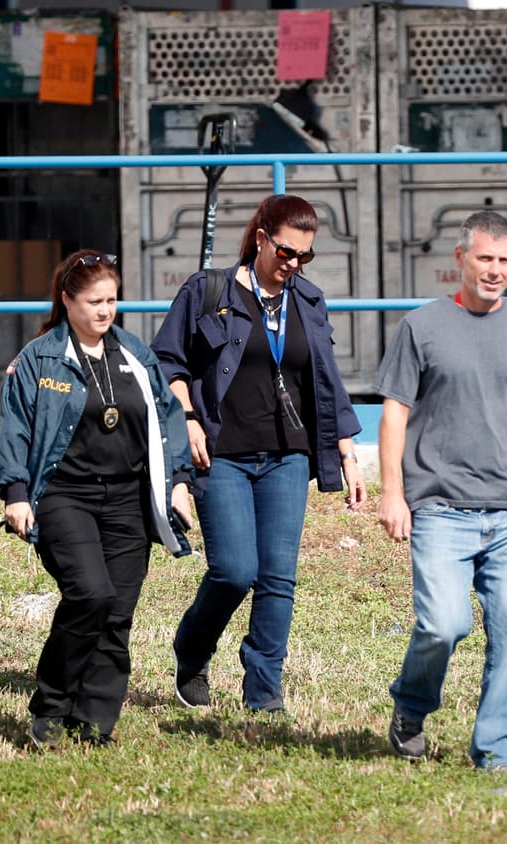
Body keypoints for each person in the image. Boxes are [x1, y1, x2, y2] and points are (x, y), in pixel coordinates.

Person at [374, 210, 507, 773]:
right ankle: (412, 706)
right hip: (440, 509)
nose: (495, 270)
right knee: (444, 625)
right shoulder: (421, 326)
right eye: (485, 257)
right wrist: (393, 492)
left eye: (505, 260)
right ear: (460, 258)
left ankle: (496, 749)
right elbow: (394, 414)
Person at [152, 193, 367, 713]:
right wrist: (188, 419)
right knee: (234, 570)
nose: (294, 263)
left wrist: (347, 452)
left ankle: (264, 694)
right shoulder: (208, 291)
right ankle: (192, 649)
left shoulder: (308, 301)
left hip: (287, 455)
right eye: (286, 252)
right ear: (262, 238)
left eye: (305, 255)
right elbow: (168, 363)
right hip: (221, 453)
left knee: (277, 578)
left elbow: (326, 380)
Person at [0, 249, 193, 748]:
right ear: (68, 301)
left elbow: (167, 419)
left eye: (111, 300)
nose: (105, 310)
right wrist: (15, 493)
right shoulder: (39, 359)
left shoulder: (136, 355)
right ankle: (52, 706)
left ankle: (95, 722)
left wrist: (179, 481)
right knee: (90, 594)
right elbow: (13, 428)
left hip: (127, 499)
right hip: (64, 496)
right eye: (95, 301)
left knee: (117, 612)